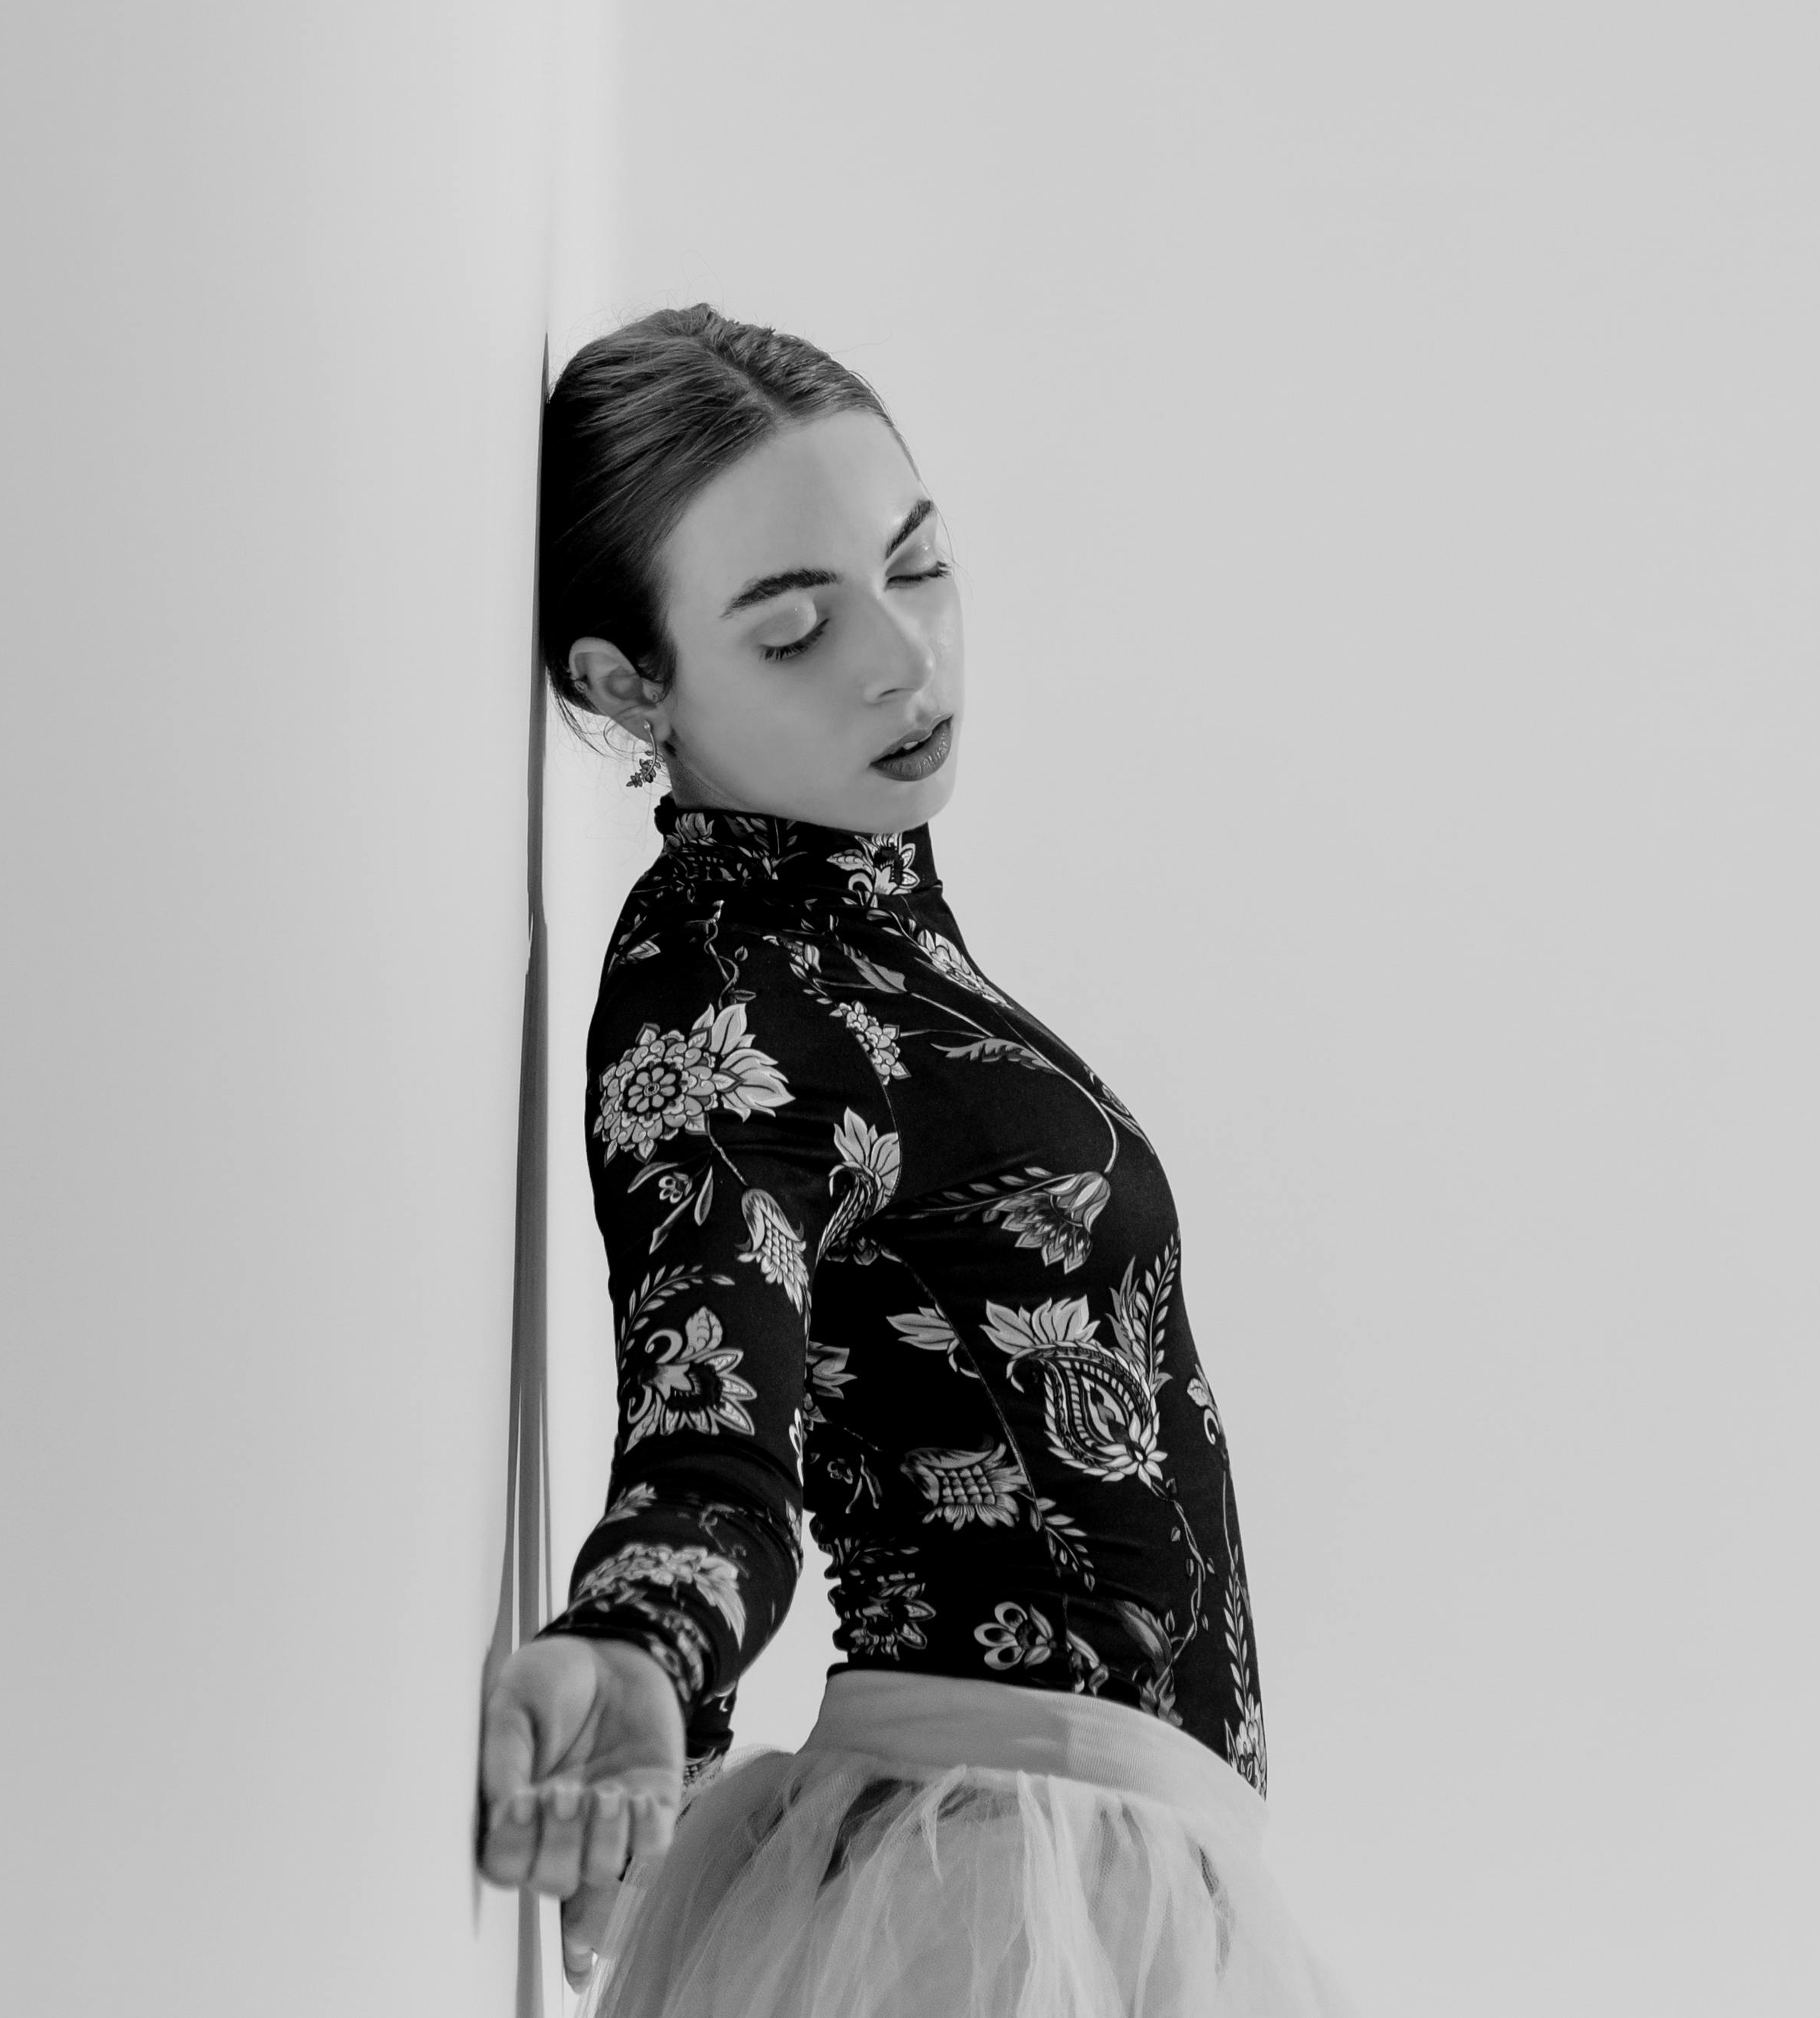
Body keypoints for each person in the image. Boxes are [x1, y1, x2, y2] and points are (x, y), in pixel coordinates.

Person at [477, 306, 1346, 2018]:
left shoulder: (867, 944)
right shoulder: (724, 992)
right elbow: (709, 1423)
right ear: (623, 680)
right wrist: (643, 1640)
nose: (899, 656)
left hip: (1085, 1879)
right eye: (794, 629)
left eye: (919, 563)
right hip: (991, 1902)